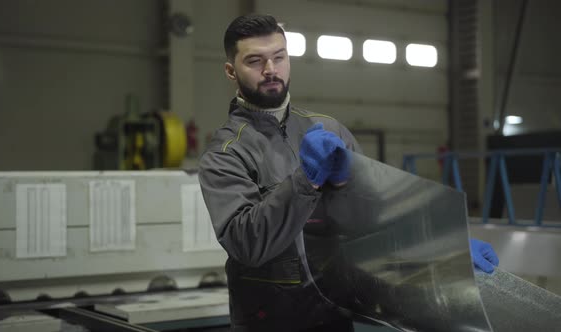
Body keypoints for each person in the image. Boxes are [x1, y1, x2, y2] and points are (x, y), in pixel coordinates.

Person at [198, 14, 499, 332]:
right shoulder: (225, 154)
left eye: (279, 57)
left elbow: (375, 221)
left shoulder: (328, 129)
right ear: (232, 71)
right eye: (255, 61)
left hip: (334, 315)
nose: (270, 69)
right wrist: (307, 179)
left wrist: (446, 249)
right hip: (271, 321)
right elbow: (248, 245)